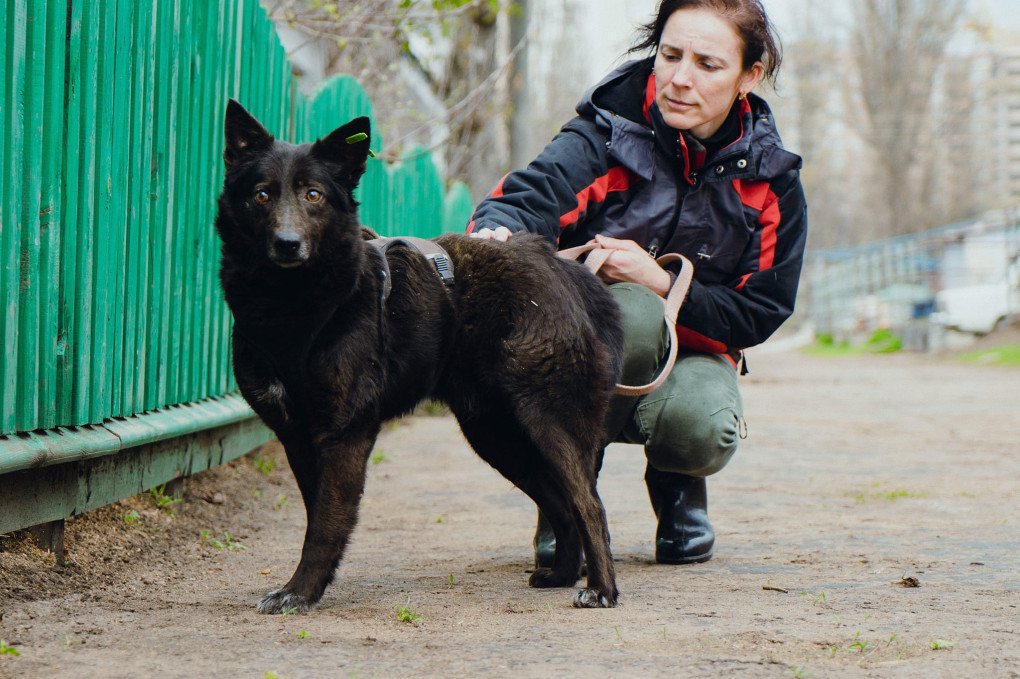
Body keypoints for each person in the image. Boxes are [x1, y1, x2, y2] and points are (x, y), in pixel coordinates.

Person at [467, 0, 806, 566]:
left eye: (707, 64)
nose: (679, 78)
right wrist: (495, 233)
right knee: (628, 313)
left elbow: (761, 311)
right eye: (670, 55)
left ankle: (678, 491)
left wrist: (661, 282)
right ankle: (566, 500)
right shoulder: (606, 136)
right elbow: (531, 195)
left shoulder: (773, 184)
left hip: (692, 356)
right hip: (578, 357)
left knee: (706, 426)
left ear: (750, 75)